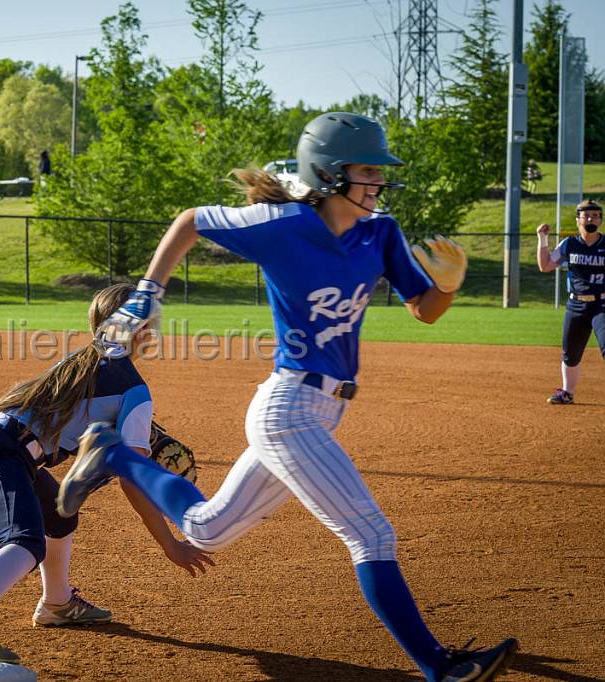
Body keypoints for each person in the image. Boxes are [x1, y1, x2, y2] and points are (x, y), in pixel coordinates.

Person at [56, 112, 518, 681]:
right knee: (370, 534)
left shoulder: (382, 233)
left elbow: (424, 310)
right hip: (289, 410)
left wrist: (447, 282)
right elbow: (189, 222)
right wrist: (148, 293)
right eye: (366, 170)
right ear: (327, 173)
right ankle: (438, 667)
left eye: (379, 171)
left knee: (207, 528)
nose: (378, 181)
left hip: (324, 412)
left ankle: (112, 452)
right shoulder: (282, 224)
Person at [0, 283, 213, 664]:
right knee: (25, 543)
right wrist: (169, 544)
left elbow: (81, 426)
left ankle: (57, 603)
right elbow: (132, 479)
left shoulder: (83, 360)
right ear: (141, 329)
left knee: (59, 516)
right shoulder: (135, 391)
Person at [536, 199, 605, 405]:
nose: (591, 219)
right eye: (586, 215)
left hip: (602, 305)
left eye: (595, 215)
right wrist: (542, 239)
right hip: (575, 306)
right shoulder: (569, 244)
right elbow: (546, 266)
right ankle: (567, 393)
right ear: (578, 220)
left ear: (601, 220)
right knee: (570, 353)